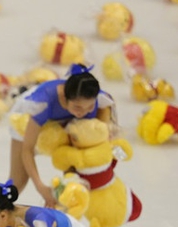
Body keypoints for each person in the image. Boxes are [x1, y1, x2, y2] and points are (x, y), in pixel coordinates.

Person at [7, 64, 115, 208]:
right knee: (18, 181)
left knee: (74, 165)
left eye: (89, 107)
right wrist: (41, 187)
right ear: (64, 97)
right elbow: (27, 150)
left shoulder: (96, 100)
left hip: (63, 121)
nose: (83, 112)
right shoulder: (41, 104)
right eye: (77, 107)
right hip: (26, 121)